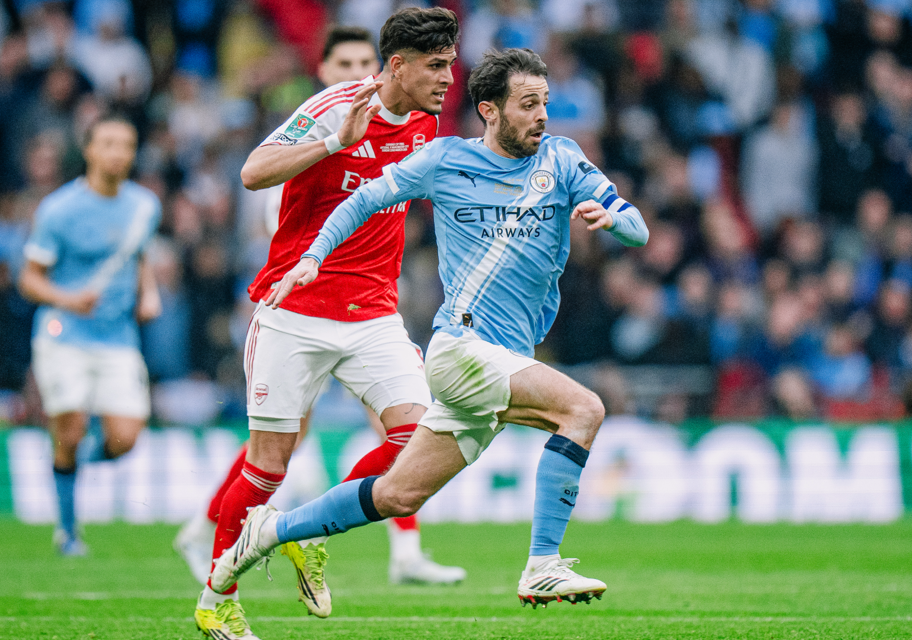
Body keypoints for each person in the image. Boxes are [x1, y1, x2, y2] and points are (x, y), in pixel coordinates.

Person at [210, 47, 648, 611]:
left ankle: (269, 533)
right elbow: (363, 200)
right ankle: (542, 564)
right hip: (461, 349)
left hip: (506, 356)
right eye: (528, 105)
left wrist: (612, 219)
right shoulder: (444, 160)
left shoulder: (563, 160)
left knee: (397, 494)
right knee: (583, 409)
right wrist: (315, 255)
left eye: (545, 103)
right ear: (489, 110)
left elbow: (635, 224)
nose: (542, 116)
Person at [189, 11, 462, 640]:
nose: (449, 79)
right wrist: (333, 142)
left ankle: (304, 528)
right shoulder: (337, 106)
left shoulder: (428, 120)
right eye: (438, 66)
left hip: (372, 313)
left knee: (420, 442)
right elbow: (253, 172)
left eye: (450, 64)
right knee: (267, 467)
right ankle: (216, 598)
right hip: (295, 307)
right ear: (398, 66)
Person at [18, 116, 162, 556]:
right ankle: (68, 531)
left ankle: (68, 467)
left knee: (125, 439)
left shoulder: (144, 205)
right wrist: (66, 298)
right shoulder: (59, 210)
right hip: (64, 334)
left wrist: (149, 291)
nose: (118, 152)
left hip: (117, 336)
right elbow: (30, 278)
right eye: (108, 143)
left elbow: (136, 255)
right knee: (72, 423)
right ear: (89, 150)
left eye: (127, 144)